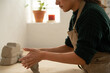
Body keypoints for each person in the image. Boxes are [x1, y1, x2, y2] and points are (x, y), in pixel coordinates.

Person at [19, 0, 110, 73]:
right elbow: (69, 47)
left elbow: (82, 57)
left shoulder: (91, 13)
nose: (56, 2)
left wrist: (43, 55)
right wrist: (40, 51)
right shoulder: (78, 13)